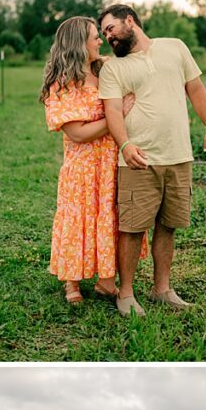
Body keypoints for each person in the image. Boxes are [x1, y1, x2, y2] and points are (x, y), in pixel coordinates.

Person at [98, 4, 206, 317]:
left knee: (168, 226)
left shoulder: (175, 48)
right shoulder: (114, 68)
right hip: (139, 159)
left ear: (130, 21)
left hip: (178, 155)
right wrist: (125, 144)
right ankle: (125, 294)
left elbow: (195, 88)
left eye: (110, 29)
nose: (107, 38)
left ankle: (162, 288)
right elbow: (112, 111)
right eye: (102, 35)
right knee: (132, 228)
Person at [41, 16, 146, 304]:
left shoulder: (106, 72)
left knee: (109, 215)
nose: (101, 40)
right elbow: (77, 133)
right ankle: (71, 282)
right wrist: (115, 116)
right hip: (83, 165)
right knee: (79, 217)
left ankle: (106, 280)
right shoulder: (63, 85)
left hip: (110, 159)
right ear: (78, 43)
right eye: (94, 37)